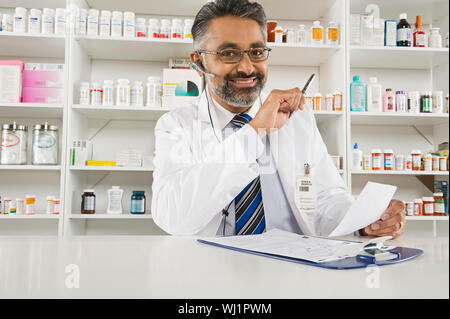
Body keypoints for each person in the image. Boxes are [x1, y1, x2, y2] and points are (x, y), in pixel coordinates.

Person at [151, 0, 406, 238]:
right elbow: (172, 217)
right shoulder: (176, 126)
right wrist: (255, 130)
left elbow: (326, 199)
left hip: (293, 268)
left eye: (257, 52)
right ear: (198, 61)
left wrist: (364, 222)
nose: (247, 67)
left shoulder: (296, 118)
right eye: (228, 53)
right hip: (214, 270)